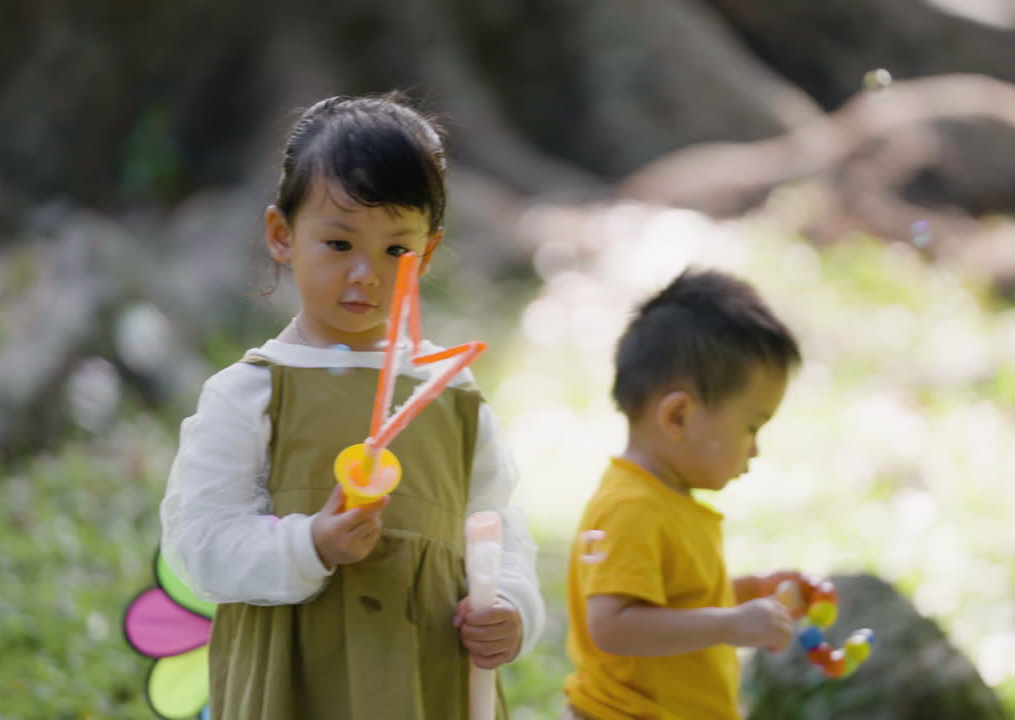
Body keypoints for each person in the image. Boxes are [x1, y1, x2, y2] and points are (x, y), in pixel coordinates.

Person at [159, 92, 544, 720]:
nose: (367, 273)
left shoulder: (448, 393)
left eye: (396, 250)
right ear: (282, 235)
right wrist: (310, 544)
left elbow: (496, 522)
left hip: (430, 682)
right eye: (339, 244)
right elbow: (201, 543)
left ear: (427, 253)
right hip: (296, 687)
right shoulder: (251, 394)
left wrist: (512, 604)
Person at [562, 268, 804, 720]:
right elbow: (613, 627)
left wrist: (749, 593)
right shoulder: (630, 508)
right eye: (751, 426)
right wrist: (730, 624)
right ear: (678, 417)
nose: (755, 449)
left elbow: (676, 605)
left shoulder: (665, 500)